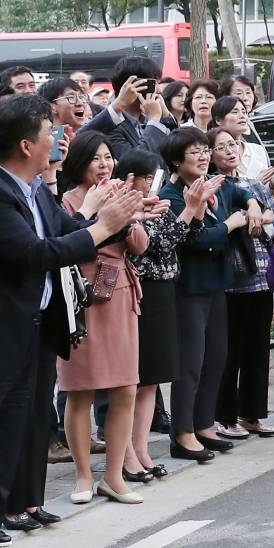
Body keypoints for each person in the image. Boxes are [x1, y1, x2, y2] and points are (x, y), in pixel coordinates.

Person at [0, 95, 142, 544]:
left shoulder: (37, 190)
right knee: (7, 417)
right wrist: (100, 226)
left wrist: (117, 217)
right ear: (27, 145)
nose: (58, 135)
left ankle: (25, 502)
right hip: (9, 325)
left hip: (41, 321)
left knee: (33, 418)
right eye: (49, 129)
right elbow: (36, 254)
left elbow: (65, 231)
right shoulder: (2, 195)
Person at [159, 127, 263, 462]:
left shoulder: (212, 183)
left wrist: (249, 203)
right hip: (189, 287)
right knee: (191, 362)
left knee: (216, 357)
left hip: (217, 283)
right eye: (196, 152)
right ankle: (183, 433)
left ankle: (204, 424)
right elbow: (197, 240)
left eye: (206, 150)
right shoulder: (172, 195)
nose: (204, 156)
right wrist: (230, 225)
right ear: (177, 160)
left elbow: (240, 191)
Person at [59, 131, 151, 505]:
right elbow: (62, 243)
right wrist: (100, 216)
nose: (104, 164)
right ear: (79, 162)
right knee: (79, 389)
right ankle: (83, 476)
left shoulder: (121, 193)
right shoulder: (67, 202)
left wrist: (129, 218)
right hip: (81, 298)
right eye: (96, 158)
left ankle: (114, 476)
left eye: (108, 157)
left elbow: (141, 246)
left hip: (121, 294)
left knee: (126, 388)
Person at [121, 150, 211, 482]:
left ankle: (142, 449)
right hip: (141, 291)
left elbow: (185, 236)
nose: (152, 182)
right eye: (147, 177)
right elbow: (158, 244)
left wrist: (196, 208)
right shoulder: (128, 207)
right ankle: (126, 453)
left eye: (153, 176)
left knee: (153, 379)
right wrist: (189, 209)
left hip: (165, 289)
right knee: (135, 378)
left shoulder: (158, 203)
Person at [207, 128, 274, 440]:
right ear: (210, 154)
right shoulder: (213, 185)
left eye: (233, 144)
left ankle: (252, 414)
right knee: (230, 351)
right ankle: (224, 416)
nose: (229, 150)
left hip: (261, 275)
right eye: (221, 146)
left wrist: (260, 216)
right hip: (231, 281)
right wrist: (249, 212)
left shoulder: (252, 182)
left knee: (258, 350)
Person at [80, 56, 175, 160]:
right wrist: (154, 120)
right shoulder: (111, 127)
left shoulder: (145, 120)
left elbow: (178, 151)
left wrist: (165, 115)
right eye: (153, 83)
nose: (159, 90)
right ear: (133, 86)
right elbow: (138, 162)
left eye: (158, 83)